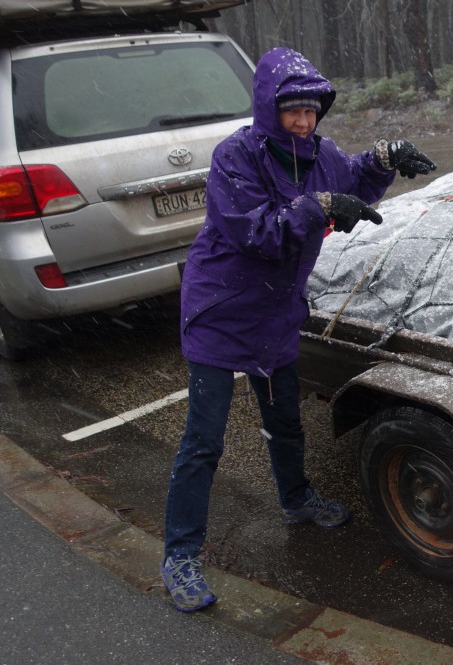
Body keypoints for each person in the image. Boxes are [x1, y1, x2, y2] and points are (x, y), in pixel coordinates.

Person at [160, 46, 436, 613]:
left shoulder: (319, 153)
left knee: (284, 422)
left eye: (312, 110)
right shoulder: (236, 157)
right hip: (221, 309)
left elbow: (351, 178)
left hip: (276, 312)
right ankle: (181, 553)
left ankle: (295, 498)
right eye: (292, 111)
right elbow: (257, 232)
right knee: (203, 442)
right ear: (269, 107)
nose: (304, 121)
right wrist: (320, 207)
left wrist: (383, 159)